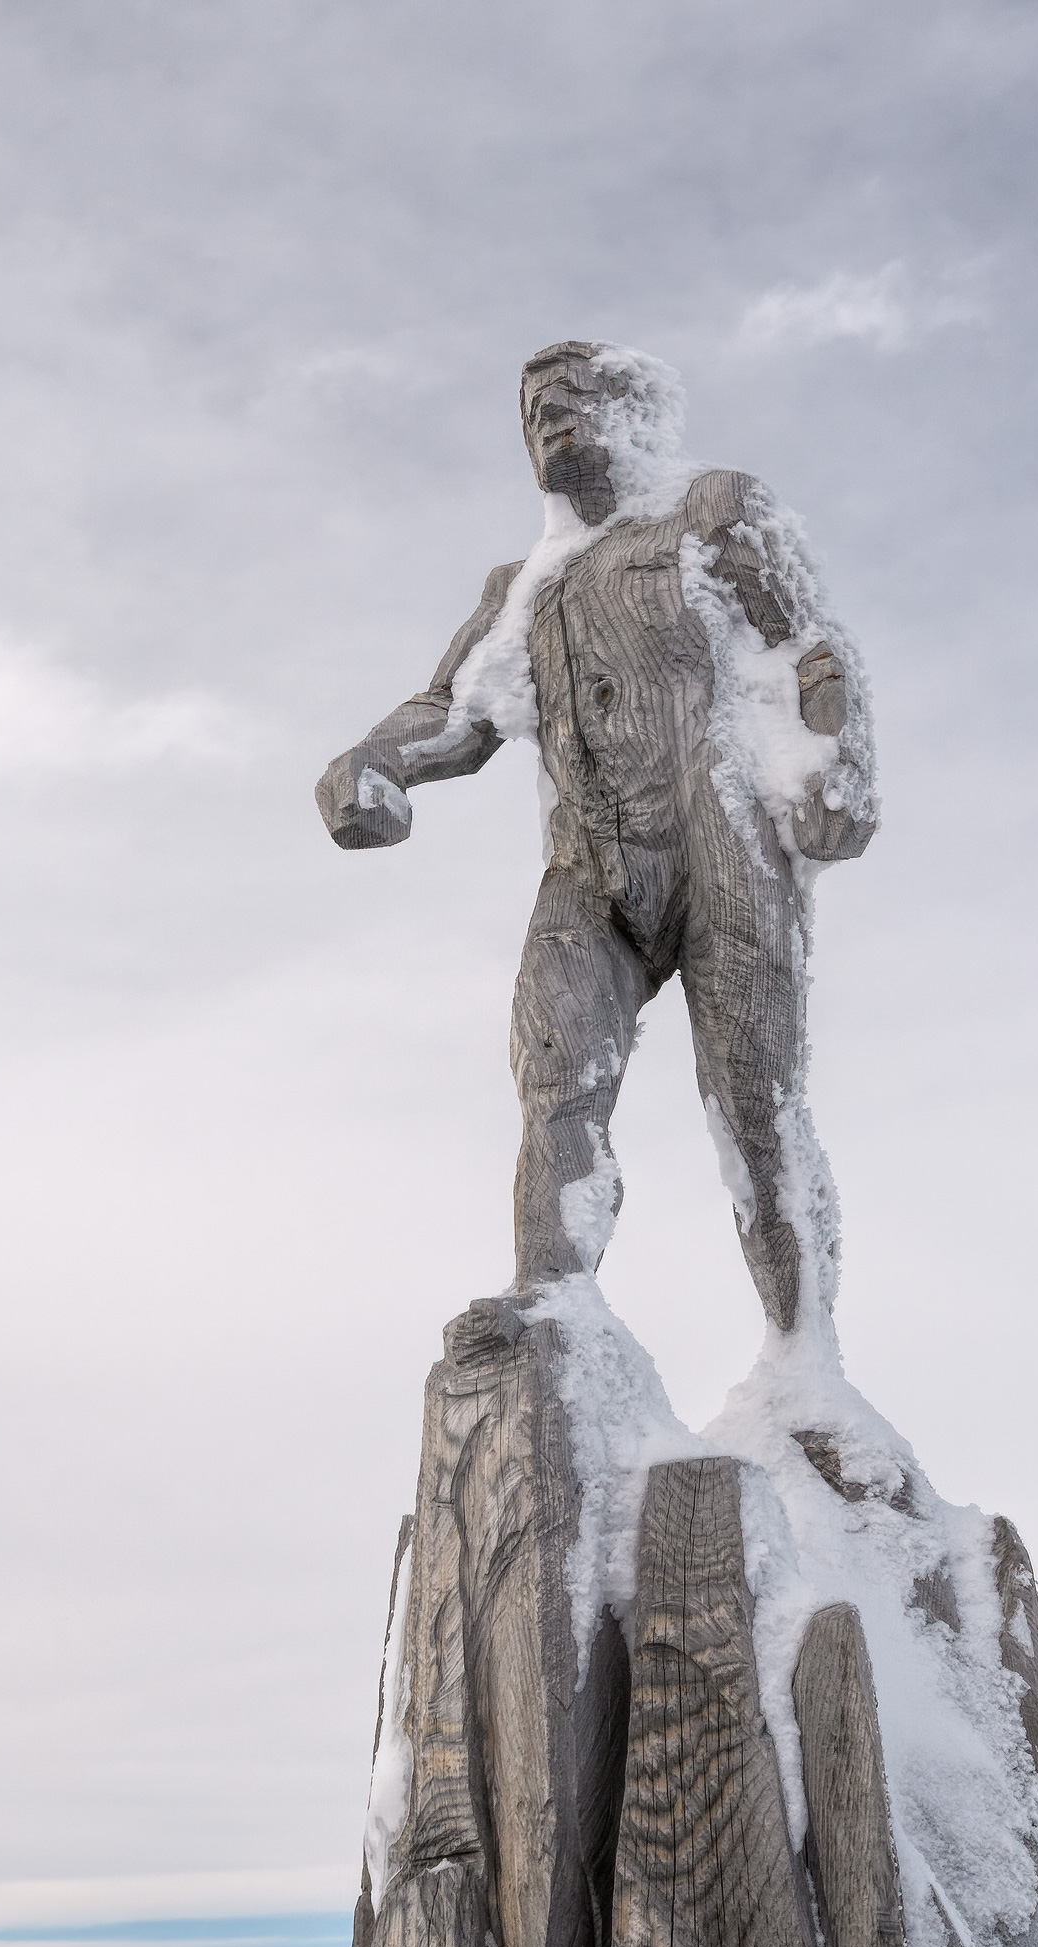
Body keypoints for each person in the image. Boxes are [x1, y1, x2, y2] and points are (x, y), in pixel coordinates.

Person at [315, 341, 877, 1334]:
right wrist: (373, 760)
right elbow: (458, 709)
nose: (550, 415)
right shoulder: (523, 584)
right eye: (533, 405)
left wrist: (837, 764)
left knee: (756, 1108)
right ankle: (552, 1297)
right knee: (555, 1072)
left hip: (722, 841)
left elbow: (813, 644)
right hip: (590, 866)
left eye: (574, 393)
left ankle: (803, 1354)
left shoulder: (713, 508)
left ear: (634, 408)